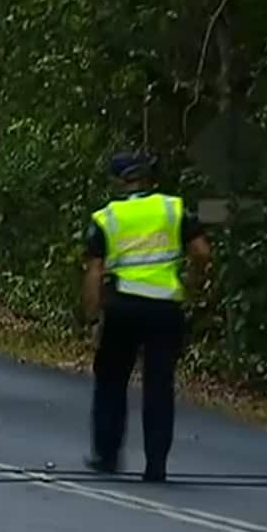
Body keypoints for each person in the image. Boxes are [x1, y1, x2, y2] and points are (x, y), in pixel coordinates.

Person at [81, 153, 211, 482]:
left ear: (118, 181)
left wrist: (93, 316)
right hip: (164, 308)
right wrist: (189, 284)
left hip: (123, 307)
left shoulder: (106, 218)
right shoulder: (173, 209)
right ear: (148, 179)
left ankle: (107, 455)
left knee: (111, 380)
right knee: (159, 385)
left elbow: (95, 274)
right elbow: (202, 252)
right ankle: (156, 464)